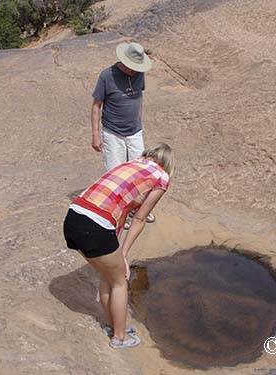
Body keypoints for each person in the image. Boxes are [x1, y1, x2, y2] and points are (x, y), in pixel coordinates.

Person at [63, 143, 174, 348]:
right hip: (95, 225)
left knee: (108, 275)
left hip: (73, 217)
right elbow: (140, 219)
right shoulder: (162, 177)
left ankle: (112, 325)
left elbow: (120, 206)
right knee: (121, 280)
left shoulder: (132, 164)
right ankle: (120, 337)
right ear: (167, 164)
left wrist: (117, 250)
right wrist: (123, 253)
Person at [91, 41, 156, 224]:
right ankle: (120, 214)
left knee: (139, 173)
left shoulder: (139, 73)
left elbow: (139, 95)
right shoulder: (107, 76)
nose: (136, 71)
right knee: (115, 175)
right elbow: (97, 105)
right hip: (113, 132)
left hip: (134, 131)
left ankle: (137, 209)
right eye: (133, 67)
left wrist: (139, 121)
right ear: (125, 62)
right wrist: (96, 135)